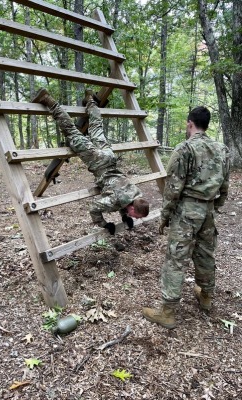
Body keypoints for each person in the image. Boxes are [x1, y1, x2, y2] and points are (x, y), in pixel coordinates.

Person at [142, 106, 230, 329]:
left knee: (176, 257)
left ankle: (168, 312)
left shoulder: (185, 149)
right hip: (208, 210)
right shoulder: (222, 149)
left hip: (187, 211)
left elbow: (173, 188)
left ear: (190, 123)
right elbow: (225, 187)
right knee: (205, 253)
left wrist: (165, 215)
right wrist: (213, 206)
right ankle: (206, 296)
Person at [33, 88, 149, 234]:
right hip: (98, 161)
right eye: (135, 215)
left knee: (96, 127)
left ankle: (90, 100)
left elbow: (124, 200)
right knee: (71, 131)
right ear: (132, 207)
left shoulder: (136, 194)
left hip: (109, 157)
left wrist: (125, 217)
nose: (135, 218)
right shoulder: (115, 201)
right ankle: (48, 100)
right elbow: (94, 207)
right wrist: (104, 224)